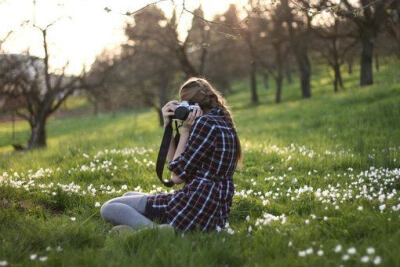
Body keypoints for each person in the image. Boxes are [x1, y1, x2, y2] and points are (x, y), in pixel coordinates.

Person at [100, 77, 242, 234]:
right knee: (129, 195)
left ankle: (154, 231)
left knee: (108, 208)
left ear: (194, 106)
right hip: (213, 213)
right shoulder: (221, 119)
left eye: (184, 105)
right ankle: (147, 228)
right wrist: (169, 127)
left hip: (194, 206)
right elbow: (177, 162)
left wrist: (185, 131)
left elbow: (176, 177)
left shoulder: (205, 124)